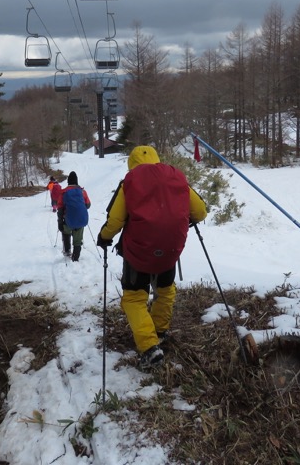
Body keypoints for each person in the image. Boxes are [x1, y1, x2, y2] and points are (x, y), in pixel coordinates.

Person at [97, 146, 207, 370]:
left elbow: (116, 220)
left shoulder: (130, 181)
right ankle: (159, 332)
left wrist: (104, 237)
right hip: (170, 248)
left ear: (132, 164)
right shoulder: (176, 177)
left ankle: (149, 347)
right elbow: (201, 211)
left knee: (134, 298)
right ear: (157, 159)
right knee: (165, 290)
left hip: (139, 251)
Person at [57, 171, 91, 262]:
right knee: (78, 239)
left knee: (66, 232)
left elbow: (60, 208)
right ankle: (75, 258)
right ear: (76, 181)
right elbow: (88, 205)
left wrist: (60, 222)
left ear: (68, 181)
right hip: (81, 220)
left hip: (68, 220)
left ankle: (67, 251)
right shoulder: (83, 192)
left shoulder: (63, 192)